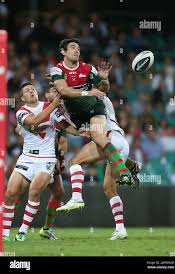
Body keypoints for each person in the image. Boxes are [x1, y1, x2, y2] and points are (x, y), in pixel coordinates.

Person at [49, 38, 133, 210]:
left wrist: (104, 80)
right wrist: (88, 92)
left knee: (97, 136)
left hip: (96, 110)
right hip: (80, 118)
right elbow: (64, 90)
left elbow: (103, 89)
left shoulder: (88, 68)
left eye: (78, 48)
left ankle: (124, 171)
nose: (76, 50)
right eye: (72, 47)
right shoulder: (57, 69)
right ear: (63, 52)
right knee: (85, 156)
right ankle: (130, 165)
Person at [3, 83, 86, 241]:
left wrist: (79, 131)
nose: (31, 91)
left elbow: (65, 126)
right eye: (27, 91)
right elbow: (34, 122)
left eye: (33, 89)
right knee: (9, 194)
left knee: (34, 191)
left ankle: (22, 231)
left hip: (46, 158)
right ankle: (5, 234)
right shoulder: (22, 112)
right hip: (26, 157)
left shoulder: (50, 106)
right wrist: (54, 105)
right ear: (22, 98)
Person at [57, 95, 142, 240]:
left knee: (75, 162)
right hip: (121, 141)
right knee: (109, 189)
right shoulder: (91, 102)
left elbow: (100, 87)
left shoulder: (95, 98)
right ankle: (120, 229)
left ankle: (77, 197)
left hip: (108, 138)